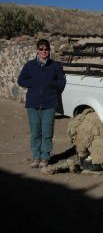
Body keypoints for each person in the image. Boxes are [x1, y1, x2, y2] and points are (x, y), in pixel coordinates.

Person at [17, 38, 66, 169]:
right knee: (35, 132)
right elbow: (21, 80)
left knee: (47, 132)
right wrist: (33, 83)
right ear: (37, 50)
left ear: (49, 50)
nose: (44, 51)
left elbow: (62, 82)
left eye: (46, 49)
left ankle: (45, 157)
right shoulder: (30, 65)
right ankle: (36, 157)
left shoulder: (55, 66)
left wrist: (52, 85)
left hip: (49, 104)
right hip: (33, 104)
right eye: (41, 49)